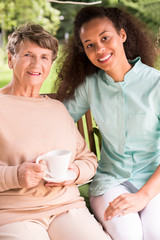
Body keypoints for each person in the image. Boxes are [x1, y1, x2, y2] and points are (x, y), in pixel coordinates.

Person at [55, 6, 160, 240]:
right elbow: (57, 119)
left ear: (122, 35)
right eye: (90, 44)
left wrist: (143, 196)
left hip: (155, 182)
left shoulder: (156, 84)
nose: (100, 49)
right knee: (129, 235)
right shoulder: (91, 86)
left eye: (105, 38)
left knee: (155, 232)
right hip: (111, 182)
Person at [0, 23, 111, 240]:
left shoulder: (57, 109)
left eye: (44, 57)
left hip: (67, 208)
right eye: (28, 55)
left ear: (51, 64)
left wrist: (74, 173)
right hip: (14, 214)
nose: (36, 64)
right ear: (11, 58)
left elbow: (87, 159)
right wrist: (16, 176)